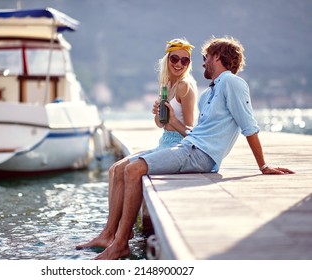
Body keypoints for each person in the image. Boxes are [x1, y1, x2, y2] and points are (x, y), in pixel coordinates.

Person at [78, 36, 295, 260]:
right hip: (189, 146)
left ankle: (120, 244)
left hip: (200, 154)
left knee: (133, 170)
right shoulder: (209, 92)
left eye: (205, 57)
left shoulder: (232, 83)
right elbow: (193, 132)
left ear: (218, 57)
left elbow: (249, 126)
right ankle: (112, 237)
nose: (202, 63)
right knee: (124, 167)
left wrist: (263, 164)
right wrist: (170, 119)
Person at [76, 38, 197, 251]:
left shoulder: (185, 87)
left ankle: (118, 234)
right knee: (115, 169)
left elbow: (190, 132)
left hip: (177, 146)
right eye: (175, 58)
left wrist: (170, 119)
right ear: (167, 59)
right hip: (164, 142)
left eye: (184, 61)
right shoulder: (167, 85)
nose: (179, 64)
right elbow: (162, 125)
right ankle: (108, 233)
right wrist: (158, 114)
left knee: (125, 169)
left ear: (189, 64)